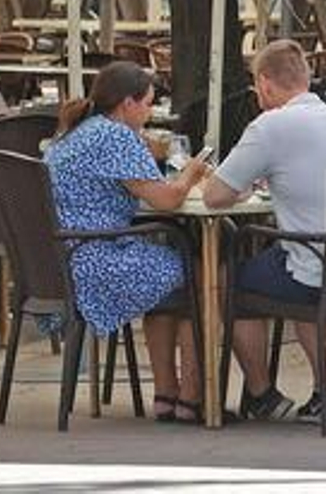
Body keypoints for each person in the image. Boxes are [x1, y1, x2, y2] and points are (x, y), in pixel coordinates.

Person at [196, 39, 326, 426]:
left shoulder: (270, 125)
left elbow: (214, 197)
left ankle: (261, 394)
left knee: (230, 281)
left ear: (264, 84)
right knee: (299, 263)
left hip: (312, 263)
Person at [44, 60, 212, 423]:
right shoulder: (115, 135)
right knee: (205, 276)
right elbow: (167, 201)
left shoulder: (78, 131)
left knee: (168, 267)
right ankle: (192, 397)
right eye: (148, 103)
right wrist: (191, 173)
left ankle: (167, 394)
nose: (151, 112)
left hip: (61, 261)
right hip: (96, 262)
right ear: (127, 103)